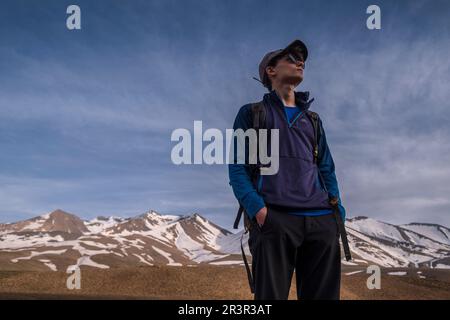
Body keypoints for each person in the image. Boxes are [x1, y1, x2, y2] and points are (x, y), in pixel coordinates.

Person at [228, 39, 346, 300]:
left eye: (301, 59)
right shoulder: (254, 114)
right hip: (274, 221)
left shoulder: (312, 120)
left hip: (321, 222)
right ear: (271, 70)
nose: (300, 62)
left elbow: (326, 167)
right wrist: (259, 211)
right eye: (291, 58)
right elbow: (238, 168)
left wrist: (336, 214)